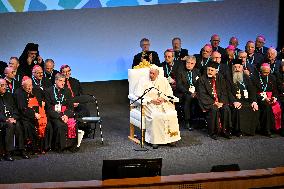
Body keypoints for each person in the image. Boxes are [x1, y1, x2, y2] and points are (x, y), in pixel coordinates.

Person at [134, 65, 181, 149]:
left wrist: (163, 98)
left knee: (172, 114)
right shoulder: (143, 80)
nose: (151, 75)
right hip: (149, 104)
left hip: (163, 103)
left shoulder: (163, 80)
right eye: (150, 73)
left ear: (158, 74)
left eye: (153, 74)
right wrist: (151, 100)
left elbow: (169, 93)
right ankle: (155, 140)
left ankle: (171, 138)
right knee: (156, 115)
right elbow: (138, 94)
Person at [14, 77, 53, 153]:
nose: (29, 88)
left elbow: (43, 98)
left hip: (39, 113)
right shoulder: (19, 93)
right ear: (23, 86)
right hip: (26, 116)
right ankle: (33, 148)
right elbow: (22, 108)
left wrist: (42, 101)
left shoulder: (36, 90)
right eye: (27, 86)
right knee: (29, 125)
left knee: (48, 125)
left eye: (30, 85)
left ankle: (45, 147)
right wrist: (34, 114)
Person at [45, 73, 79, 152]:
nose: (63, 83)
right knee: (60, 125)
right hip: (54, 114)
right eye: (60, 81)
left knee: (73, 123)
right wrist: (60, 116)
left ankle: (71, 146)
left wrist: (66, 115)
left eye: (64, 81)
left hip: (66, 113)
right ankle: (60, 147)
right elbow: (49, 108)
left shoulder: (67, 91)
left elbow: (70, 106)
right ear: (56, 81)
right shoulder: (48, 91)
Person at [198, 61, 232, 140]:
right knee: (214, 109)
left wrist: (221, 102)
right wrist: (214, 103)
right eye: (208, 70)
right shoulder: (202, 79)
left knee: (226, 108)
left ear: (216, 71)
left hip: (220, 101)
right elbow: (202, 94)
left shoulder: (220, 77)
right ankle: (213, 132)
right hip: (208, 102)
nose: (209, 72)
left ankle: (225, 131)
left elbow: (224, 91)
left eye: (212, 70)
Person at [225, 59, 260, 136]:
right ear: (232, 68)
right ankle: (238, 131)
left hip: (246, 100)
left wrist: (254, 101)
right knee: (238, 108)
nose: (237, 69)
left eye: (239, 67)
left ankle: (250, 130)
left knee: (253, 107)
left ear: (242, 68)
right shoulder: (228, 77)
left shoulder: (246, 77)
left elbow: (252, 90)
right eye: (235, 67)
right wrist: (234, 101)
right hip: (235, 100)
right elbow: (227, 91)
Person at [0, 79, 29, 161]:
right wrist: (6, 119)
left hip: (12, 119)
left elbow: (15, 109)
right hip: (2, 121)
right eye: (2, 85)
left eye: (5, 85)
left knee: (18, 125)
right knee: (10, 126)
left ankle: (21, 150)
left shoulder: (9, 95)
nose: (4, 87)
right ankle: (8, 152)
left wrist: (14, 118)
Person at [60, 64, 91, 137]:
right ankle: (75, 130)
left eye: (68, 71)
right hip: (67, 105)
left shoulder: (75, 81)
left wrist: (79, 102)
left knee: (85, 110)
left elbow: (81, 94)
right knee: (73, 113)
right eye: (64, 72)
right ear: (61, 73)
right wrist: (70, 104)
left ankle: (85, 131)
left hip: (77, 103)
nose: (67, 73)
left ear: (70, 72)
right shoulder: (60, 83)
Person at [251, 63, 281, 137]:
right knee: (266, 106)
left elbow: (275, 91)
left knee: (278, 106)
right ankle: (266, 130)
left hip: (270, 98)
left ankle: (277, 129)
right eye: (264, 72)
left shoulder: (272, 77)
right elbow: (253, 92)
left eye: (268, 72)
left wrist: (274, 97)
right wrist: (264, 98)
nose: (266, 74)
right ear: (260, 71)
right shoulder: (254, 78)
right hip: (259, 98)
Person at [176, 56, 200, 131]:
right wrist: (189, 93)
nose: (189, 65)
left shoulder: (197, 71)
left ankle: (197, 120)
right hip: (184, 92)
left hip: (195, 92)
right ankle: (188, 120)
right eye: (188, 63)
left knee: (201, 97)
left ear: (194, 64)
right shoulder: (180, 71)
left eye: (191, 63)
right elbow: (179, 85)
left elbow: (200, 84)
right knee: (188, 98)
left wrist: (196, 92)